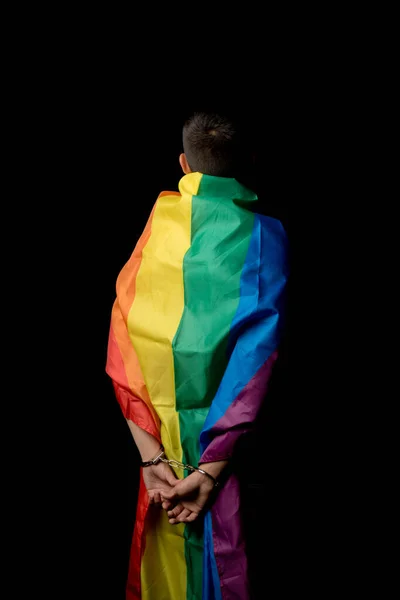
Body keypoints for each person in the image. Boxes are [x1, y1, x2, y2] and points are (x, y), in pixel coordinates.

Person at [106, 111, 288, 600]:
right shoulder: (266, 236)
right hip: (227, 462)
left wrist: (151, 461)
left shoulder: (157, 227)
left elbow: (122, 342)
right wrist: (210, 470)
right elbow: (256, 362)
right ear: (249, 162)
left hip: (166, 465)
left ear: (184, 164)